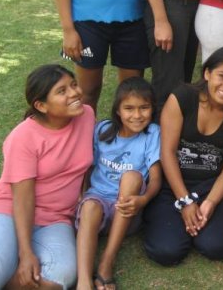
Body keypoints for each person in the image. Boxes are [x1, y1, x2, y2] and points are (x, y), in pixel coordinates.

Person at [142, 47, 223, 264]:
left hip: (211, 186)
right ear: (207, 73)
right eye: (221, 76)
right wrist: (185, 201)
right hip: (173, 183)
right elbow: (167, 153)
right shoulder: (182, 98)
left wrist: (211, 203)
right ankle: (174, 224)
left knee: (215, 247)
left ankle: (197, 224)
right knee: (166, 252)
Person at [0, 65, 95, 289]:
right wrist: (26, 252)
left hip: (56, 218)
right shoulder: (23, 137)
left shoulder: (86, 115)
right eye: (62, 91)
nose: (74, 93)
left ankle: (11, 275)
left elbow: (83, 164)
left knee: (60, 276)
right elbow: (22, 200)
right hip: (10, 211)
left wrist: (84, 194)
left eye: (73, 84)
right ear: (41, 105)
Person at [75, 77, 161, 290]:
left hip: (128, 210)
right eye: (129, 108)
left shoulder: (152, 134)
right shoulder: (102, 129)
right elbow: (87, 165)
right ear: (118, 111)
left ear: (152, 109)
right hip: (97, 206)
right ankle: (84, 281)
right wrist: (81, 194)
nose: (137, 115)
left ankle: (106, 263)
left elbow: (156, 177)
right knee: (90, 205)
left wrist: (143, 199)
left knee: (131, 176)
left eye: (144, 108)